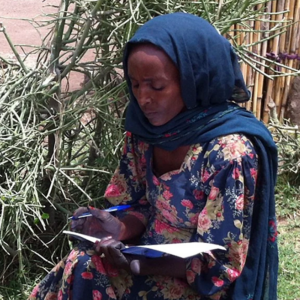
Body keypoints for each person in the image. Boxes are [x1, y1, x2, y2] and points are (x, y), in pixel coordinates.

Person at [29, 12, 278, 300]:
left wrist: (146, 264)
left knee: (87, 269)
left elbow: (221, 263)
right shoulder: (146, 133)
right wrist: (119, 227)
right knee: (83, 260)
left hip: (197, 280)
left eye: (157, 86)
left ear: (194, 81)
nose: (143, 98)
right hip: (143, 253)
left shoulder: (228, 152)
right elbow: (140, 203)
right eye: (135, 84)